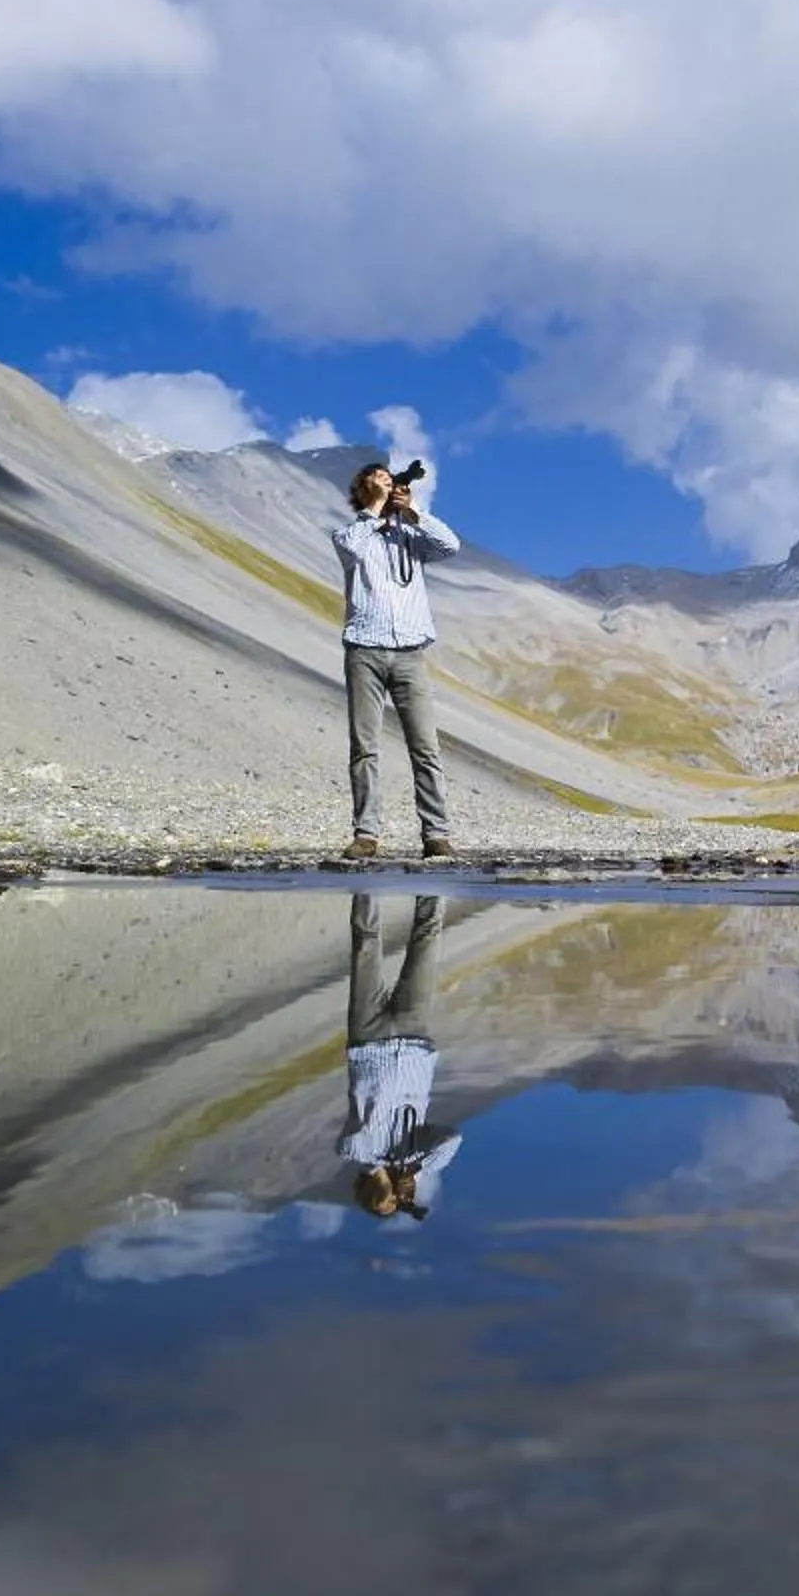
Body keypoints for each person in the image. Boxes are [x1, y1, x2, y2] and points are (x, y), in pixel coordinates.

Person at [331, 460, 460, 859]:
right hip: (364, 651)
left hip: (410, 653)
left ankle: (436, 834)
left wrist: (412, 511)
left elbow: (450, 546)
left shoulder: (411, 535)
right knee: (365, 746)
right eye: (377, 478)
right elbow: (348, 547)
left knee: (425, 747)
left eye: (390, 478)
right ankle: (366, 834)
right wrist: (374, 508)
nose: (387, 482)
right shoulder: (354, 533)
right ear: (363, 489)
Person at [341, 892, 462, 1220]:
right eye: (397, 1200)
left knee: (365, 945)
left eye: (387, 1200)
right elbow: (451, 1139)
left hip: (368, 1043)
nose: (395, 1196)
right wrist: (413, 1171)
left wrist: (380, 1178)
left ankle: (367, 880)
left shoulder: (357, 1153)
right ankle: (433, 881)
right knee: (427, 940)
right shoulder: (416, 1154)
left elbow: (354, 1141)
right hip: (413, 1044)